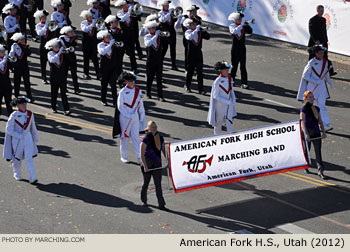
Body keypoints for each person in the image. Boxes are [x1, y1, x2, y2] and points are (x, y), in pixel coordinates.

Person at [3, 96, 39, 184]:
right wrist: (18, 136)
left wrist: (35, 138)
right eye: (22, 104)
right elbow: (9, 129)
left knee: (29, 158)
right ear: (18, 105)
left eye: (25, 103)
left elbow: (33, 127)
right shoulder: (13, 115)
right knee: (17, 158)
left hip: (28, 138)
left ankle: (32, 177)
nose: (24, 105)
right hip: (17, 139)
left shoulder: (30, 114)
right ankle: (17, 173)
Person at [297, 45, 333, 132]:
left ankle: (325, 124)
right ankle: (308, 123)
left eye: (323, 52)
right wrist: (316, 80)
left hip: (322, 87)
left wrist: (329, 82)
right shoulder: (311, 63)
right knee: (310, 106)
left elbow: (326, 73)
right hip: (312, 87)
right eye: (320, 52)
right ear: (316, 53)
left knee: (322, 105)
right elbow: (305, 76)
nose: (322, 54)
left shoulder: (326, 62)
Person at [113, 71, 146, 164]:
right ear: (126, 81)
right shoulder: (122, 92)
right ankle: (124, 156)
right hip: (125, 118)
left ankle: (139, 157)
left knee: (135, 137)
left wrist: (142, 117)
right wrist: (128, 115)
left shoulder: (138, 91)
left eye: (133, 81)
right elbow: (120, 107)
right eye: (130, 81)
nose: (132, 83)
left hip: (134, 116)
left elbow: (141, 105)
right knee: (124, 137)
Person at [140, 120, 168, 211]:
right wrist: (145, 166)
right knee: (146, 183)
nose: (154, 129)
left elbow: (163, 150)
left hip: (157, 163)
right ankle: (144, 200)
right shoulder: (145, 139)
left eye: (155, 127)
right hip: (147, 163)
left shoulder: (160, 138)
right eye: (152, 127)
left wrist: (167, 160)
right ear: (148, 129)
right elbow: (141, 155)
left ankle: (161, 204)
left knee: (158, 184)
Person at [300, 91, 327, 179]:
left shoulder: (317, 108)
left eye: (312, 97)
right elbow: (302, 123)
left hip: (316, 132)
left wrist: (323, 132)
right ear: (306, 98)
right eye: (310, 97)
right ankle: (306, 165)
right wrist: (306, 134)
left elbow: (320, 121)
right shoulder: (303, 109)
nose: (312, 98)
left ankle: (320, 170)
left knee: (318, 152)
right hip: (308, 132)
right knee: (306, 151)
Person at [207, 61, 237, 135]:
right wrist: (227, 101)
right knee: (218, 123)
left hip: (229, 104)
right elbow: (215, 96)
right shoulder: (217, 81)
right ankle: (217, 138)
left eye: (228, 70)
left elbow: (231, 90)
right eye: (225, 70)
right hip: (219, 105)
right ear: (221, 70)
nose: (227, 71)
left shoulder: (230, 78)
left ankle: (231, 137)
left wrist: (233, 99)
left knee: (229, 121)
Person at [308, 5, 336, 76]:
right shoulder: (312, 20)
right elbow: (311, 31)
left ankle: (329, 72)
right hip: (315, 42)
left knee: (325, 57)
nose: (322, 12)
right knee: (312, 57)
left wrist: (326, 40)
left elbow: (324, 31)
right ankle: (309, 71)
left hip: (323, 41)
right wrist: (316, 40)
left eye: (323, 11)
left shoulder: (323, 20)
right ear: (317, 11)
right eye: (320, 10)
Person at [184, 17, 210, 94]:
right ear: (189, 25)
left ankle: (200, 89)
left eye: (196, 24)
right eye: (193, 24)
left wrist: (203, 31)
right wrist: (196, 30)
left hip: (199, 54)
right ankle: (187, 86)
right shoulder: (188, 32)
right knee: (190, 71)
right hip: (191, 54)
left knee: (200, 72)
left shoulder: (199, 32)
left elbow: (208, 37)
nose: (195, 25)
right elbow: (189, 37)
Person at [45, 37, 71, 115]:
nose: (58, 48)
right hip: (54, 76)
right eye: (56, 47)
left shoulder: (62, 54)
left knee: (63, 94)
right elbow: (52, 60)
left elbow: (69, 61)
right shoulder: (50, 53)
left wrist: (66, 50)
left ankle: (66, 109)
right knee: (54, 93)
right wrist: (59, 52)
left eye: (58, 46)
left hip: (62, 76)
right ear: (52, 47)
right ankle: (53, 107)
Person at [228, 11, 252, 89]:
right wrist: (241, 25)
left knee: (243, 66)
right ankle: (232, 80)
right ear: (235, 19)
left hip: (242, 48)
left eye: (241, 18)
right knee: (234, 66)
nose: (240, 20)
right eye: (239, 18)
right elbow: (234, 32)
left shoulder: (243, 26)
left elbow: (250, 32)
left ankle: (244, 83)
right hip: (235, 49)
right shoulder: (232, 26)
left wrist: (247, 26)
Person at [175, 4, 202, 72]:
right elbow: (177, 27)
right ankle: (187, 68)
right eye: (194, 11)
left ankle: (196, 67)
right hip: (187, 38)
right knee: (188, 53)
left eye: (195, 11)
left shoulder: (198, 19)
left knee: (197, 53)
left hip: (196, 38)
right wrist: (179, 18)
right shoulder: (184, 18)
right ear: (190, 11)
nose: (195, 12)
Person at [144, 20, 164, 101]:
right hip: (151, 60)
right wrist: (155, 36)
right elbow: (148, 44)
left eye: (154, 28)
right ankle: (148, 92)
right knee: (150, 77)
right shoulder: (147, 36)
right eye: (152, 28)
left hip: (159, 60)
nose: (154, 29)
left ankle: (160, 95)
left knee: (159, 78)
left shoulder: (159, 36)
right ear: (149, 29)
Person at [97, 29, 118, 106]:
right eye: (107, 37)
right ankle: (103, 99)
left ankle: (115, 101)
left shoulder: (113, 44)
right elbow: (102, 52)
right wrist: (110, 45)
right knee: (104, 84)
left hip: (113, 67)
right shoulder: (100, 45)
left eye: (109, 36)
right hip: (104, 68)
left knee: (113, 85)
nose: (109, 38)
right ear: (103, 37)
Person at [9, 32, 33, 101]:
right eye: (21, 39)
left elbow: (29, 53)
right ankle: (16, 96)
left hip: (25, 67)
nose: (23, 40)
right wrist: (12, 63)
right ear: (17, 39)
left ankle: (29, 96)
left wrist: (22, 46)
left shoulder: (26, 46)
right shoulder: (14, 46)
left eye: (23, 39)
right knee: (17, 82)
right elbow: (11, 55)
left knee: (27, 82)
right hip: (17, 67)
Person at [115, 0, 137, 73]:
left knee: (132, 52)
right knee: (121, 52)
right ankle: (119, 68)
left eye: (127, 5)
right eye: (125, 5)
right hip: (123, 35)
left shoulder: (131, 12)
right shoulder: (119, 13)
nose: (127, 6)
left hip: (131, 35)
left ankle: (134, 68)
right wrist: (129, 12)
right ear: (122, 6)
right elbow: (122, 19)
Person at [80, 9, 101, 80]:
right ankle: (86, 73)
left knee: (95, 58)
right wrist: (92, 25)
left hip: (93, 43)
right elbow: (84, 29)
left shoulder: (95, 21)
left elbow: (100, 27)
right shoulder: (83, 23)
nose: (91, 17)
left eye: (91, 16)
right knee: (86, 59)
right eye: (89, 16)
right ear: (86, 17)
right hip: (86, 43)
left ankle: (98, 73)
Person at [105, 14, 125, 88]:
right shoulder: (107, 31)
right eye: (115, 22)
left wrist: (121, 45)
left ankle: (120, 81)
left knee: (119, 66)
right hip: (110, 51)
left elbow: (123, 40)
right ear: (111, 23)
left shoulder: (120, 30)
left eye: (117, 22)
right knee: (111, 66)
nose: (117, 23)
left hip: (119, 51)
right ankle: (111, 79)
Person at [158, 0, 178, 70]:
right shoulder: (160, 13)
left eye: (168, 5)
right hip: (164, 34)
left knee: (173, 49)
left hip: (172, 33)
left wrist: (179, 16)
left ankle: (174, 65)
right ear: (163, 6)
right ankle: (160, 63)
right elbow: (162, 20)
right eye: (166, 5)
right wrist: (169, 13)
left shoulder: (171, 13)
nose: (168, 6)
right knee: (164, 49)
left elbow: (175, 20)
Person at [59, 25, 80, 94]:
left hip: (72, 57)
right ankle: (64, 88)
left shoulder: (74, 38)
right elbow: (62, 48)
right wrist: (65, 49)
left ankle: (76, 88)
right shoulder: (61, 38)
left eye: (71, 31)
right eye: (70, 32)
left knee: (74, 73)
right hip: (65, 58)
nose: (71, 33)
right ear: (66, 33)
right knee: (64, 74)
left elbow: (73, 45)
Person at [34, 9, 52, 84]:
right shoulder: (38, 25)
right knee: (43, 62)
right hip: (43, 46)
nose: (44, 18)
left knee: (51, 62)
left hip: (50, 45)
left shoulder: (49, 23)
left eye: (45, 17)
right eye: (43, 17)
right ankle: (44, 77)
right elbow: (40, 33)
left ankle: (52, 77)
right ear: (40, 18)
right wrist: (45, 26)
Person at [0, 44, 13, 118]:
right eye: (2, 51)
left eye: (4, 51)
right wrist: (4, 60)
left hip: (7, 84)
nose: (3, 53)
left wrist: (11, 60)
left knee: (9, 101)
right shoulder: (4, 61)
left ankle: (10, 116)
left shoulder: (6, 60)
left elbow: (14, 64)